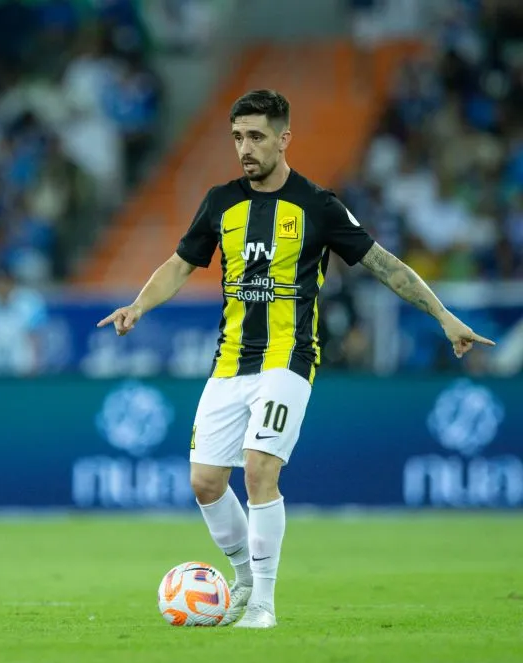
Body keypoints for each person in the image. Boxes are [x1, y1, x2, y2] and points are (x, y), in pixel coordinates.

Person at [97, 90, 494, 629]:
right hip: (229, 362)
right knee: (205, 483)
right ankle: (241, 580)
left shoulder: (318, 205)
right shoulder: (220, 202)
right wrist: (139, 305)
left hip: (288, 360)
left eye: (256, 137)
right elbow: (179, 263)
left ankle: (263, 603)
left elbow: (383, 264)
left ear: (285, 139)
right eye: (238, 137)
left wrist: (444, 316)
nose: (245, 148)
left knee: (260, 468)